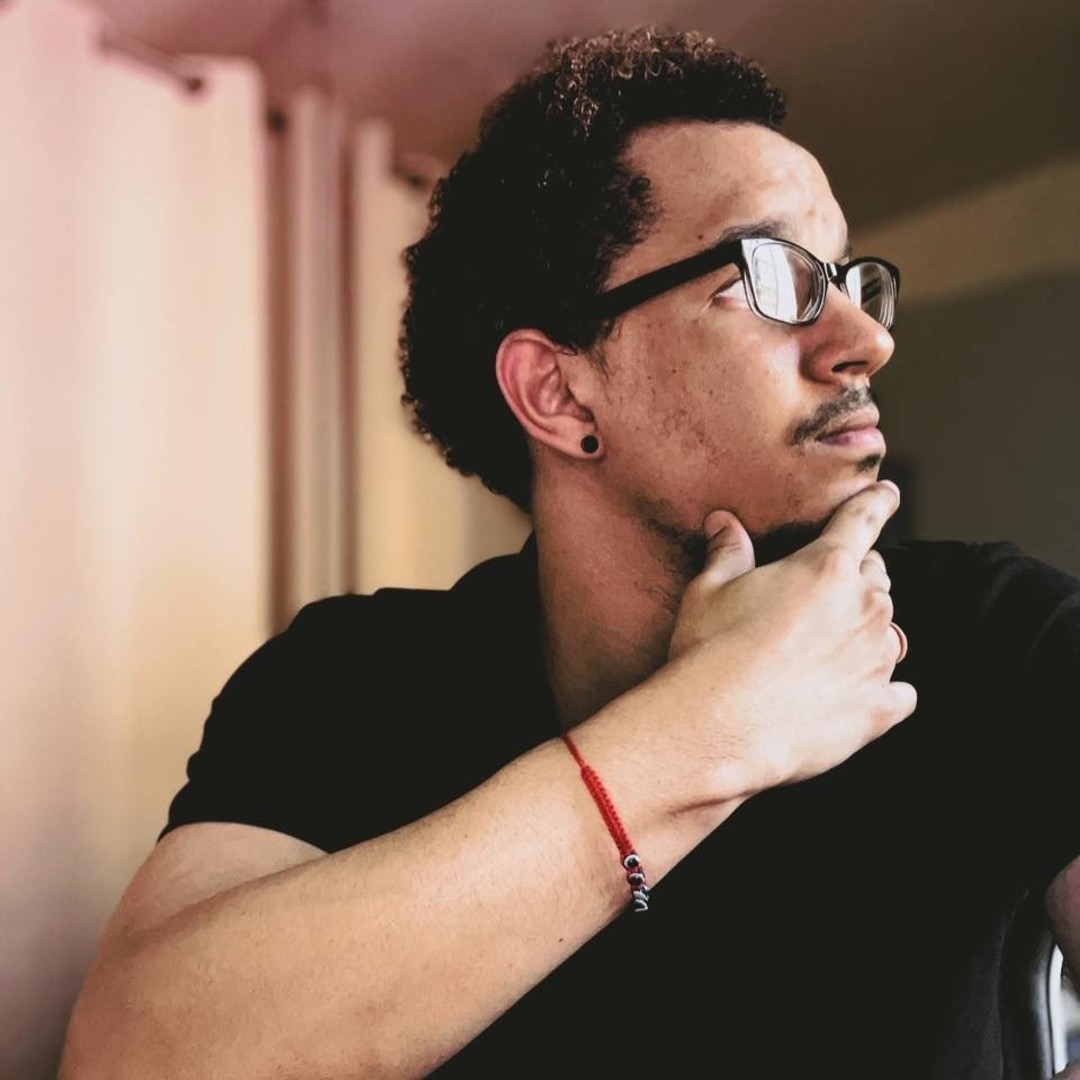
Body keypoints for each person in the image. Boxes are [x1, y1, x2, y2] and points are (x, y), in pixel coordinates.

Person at [60, 27, 1080, 1080]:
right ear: (561, 394)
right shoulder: (350, 679)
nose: (867, 340)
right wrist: (703, 731)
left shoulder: (1003, 637)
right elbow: (132, 1058)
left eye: (848, 278)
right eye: (773, 275)